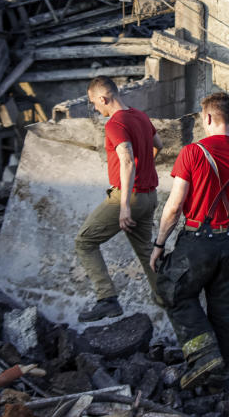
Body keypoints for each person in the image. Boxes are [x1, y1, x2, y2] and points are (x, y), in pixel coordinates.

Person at [150, 92, 229, 391]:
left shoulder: (192, 152)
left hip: (197, 241)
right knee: (226, 310)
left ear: (209, 118)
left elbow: (174, 207)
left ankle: (202, 355)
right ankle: (223, 378)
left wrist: (159, 244)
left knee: (171, 291)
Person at [75, 76, 163, 322]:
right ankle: (166, 298)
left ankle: (107, 299)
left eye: (94, 103)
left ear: (104, 98)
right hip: (149, 197)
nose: (95, 108)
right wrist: (144, 167)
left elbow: (125, 159)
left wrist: (124, 205)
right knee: (146, 252)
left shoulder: (115, 123)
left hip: (131, 199)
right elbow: (160, 145)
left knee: (84, 242)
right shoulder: (141, 116)